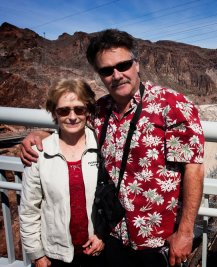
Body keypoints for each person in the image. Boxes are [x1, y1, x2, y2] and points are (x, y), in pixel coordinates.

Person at [21, 29, 205, 267]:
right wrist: (41, 134)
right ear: (99, 75)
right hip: (113, 235)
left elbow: (194, 168)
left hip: (157, 239)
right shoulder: (99, 110)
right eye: (106, 70)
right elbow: (72, 126)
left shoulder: (172, 105)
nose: (117, 75)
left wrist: (186, 232)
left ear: (136, 64)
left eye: (124, 65)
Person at [19, 79, 105, 267]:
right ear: (54, 113)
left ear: (88, 111)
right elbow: (29, 210)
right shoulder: (40, 153)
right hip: (55, 255)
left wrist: (102, 235)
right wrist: (37, 255)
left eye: (79, 109)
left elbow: (114, 200)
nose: (72, 116)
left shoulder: (103, 147)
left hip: (97, 250)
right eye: (64, 110)